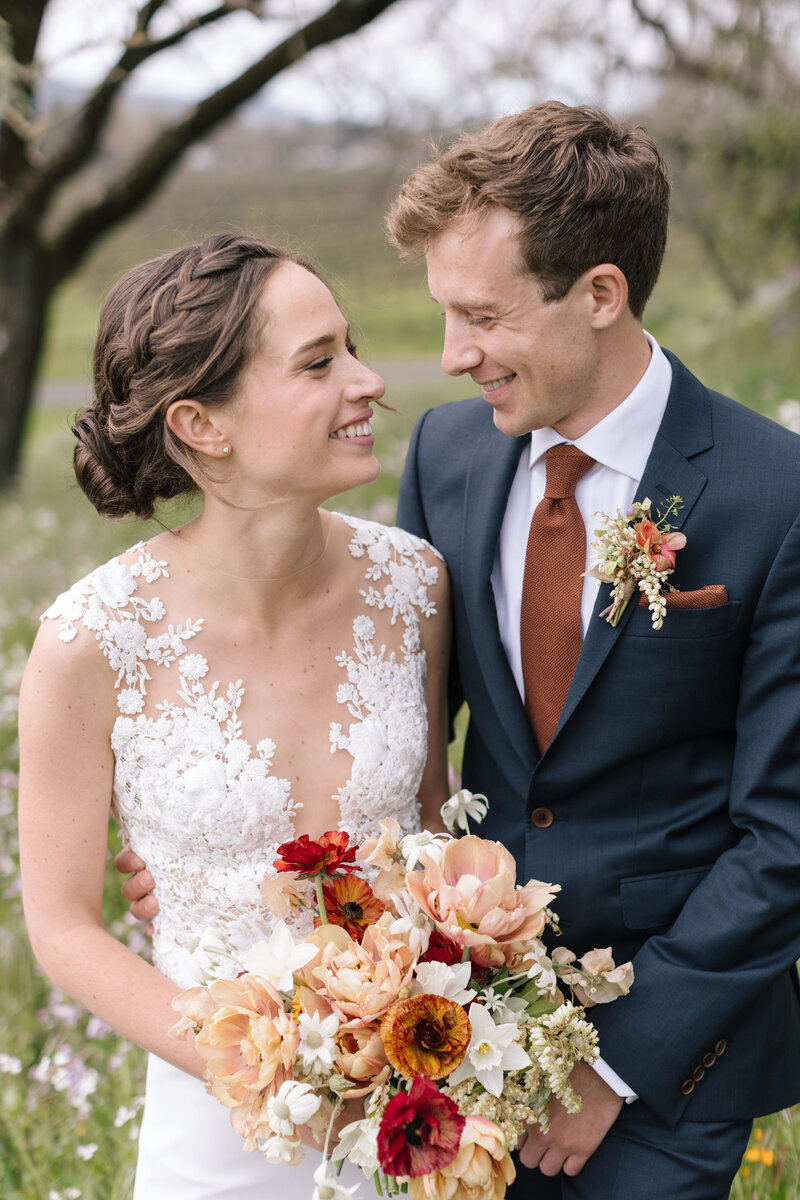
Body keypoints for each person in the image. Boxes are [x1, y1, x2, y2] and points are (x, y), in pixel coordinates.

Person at [383, 102, 800, 1198]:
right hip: (453, 1043)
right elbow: (398, 726)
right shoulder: (445, 456)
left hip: (668, 1068)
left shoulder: (775, 495)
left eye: (480, 316)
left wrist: (616, 1062)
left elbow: (785, 829)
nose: (450, 355)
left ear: (600, 295)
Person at [17, 233, 451, 1199]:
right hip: (217, 1127)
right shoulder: (92, 640)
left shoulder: (413, 585)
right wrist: (270, 1072)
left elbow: (431, 827)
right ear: (202, 425)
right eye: (318, 361)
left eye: (352, 346)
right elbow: (62, 928)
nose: (368, 380)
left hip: (416, 1104)